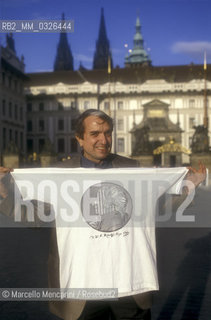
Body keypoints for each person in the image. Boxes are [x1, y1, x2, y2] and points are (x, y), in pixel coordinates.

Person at [0, 109, 206, 320]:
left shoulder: (132, 168)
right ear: (79, 139)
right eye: (95, 133)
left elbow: (156, 208)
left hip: (129, 281)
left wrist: (189, 187)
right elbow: (34, 218)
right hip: (82, 286)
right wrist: (4, 192)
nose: (103, 140)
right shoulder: (60, 174)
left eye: (108, 133)